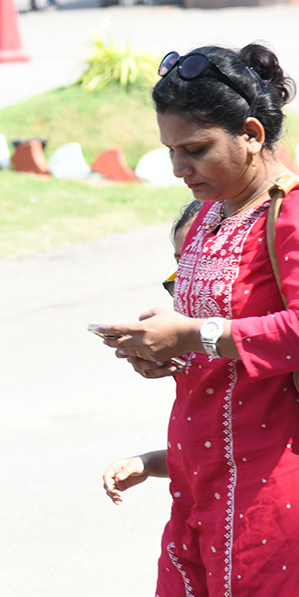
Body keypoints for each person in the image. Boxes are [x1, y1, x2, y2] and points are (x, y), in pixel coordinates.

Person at [93, 44, 299, 597]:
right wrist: (159, 349)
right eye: (171, 151)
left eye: (196, 149)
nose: (179, 168)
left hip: (277, 488)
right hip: (199, 483)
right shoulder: (208, 218)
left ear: (252, 135)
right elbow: (215, 338)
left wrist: (191, 334)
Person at [100, 199, 201, 505]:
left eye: (200, 265)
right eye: (180, 267)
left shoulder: (277, 350)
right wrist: (149, 463)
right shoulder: (198, 353)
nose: (185, 283)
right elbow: (212, 452)